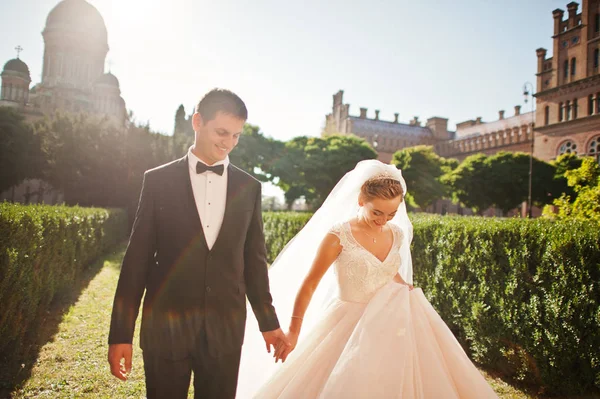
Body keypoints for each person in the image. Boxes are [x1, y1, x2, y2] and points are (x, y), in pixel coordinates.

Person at [236, 160, 498, 398]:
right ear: (361, 200)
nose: (382, 220)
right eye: (377, 213)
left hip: (393, 321)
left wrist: (403, 285)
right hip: (347, 324)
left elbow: (386, 269)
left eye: (391, 214)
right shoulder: (338, 236)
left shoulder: (396, 234)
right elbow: (309, 284)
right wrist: (294, 331)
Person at [107, 88, 289, 399]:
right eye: (221, 132)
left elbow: (254, 261)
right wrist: (120, 334)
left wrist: (268, 323)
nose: (228, 143)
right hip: (164, 328)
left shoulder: (250, 188)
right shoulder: (157, 181)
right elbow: (136, 260)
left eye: (236, 136)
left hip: (225, 332)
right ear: (197, 122)